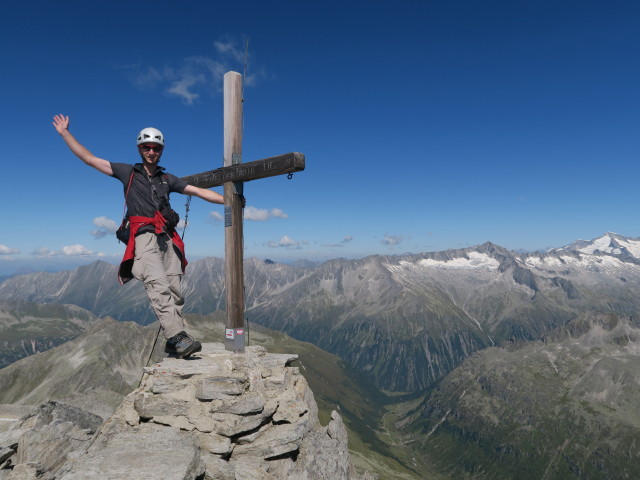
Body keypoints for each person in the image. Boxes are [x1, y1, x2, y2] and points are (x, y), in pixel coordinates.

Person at [52, 114, 224, 358]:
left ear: (161, 150)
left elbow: (197, 192)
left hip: (166, 237)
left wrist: (230, 202)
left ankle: (173, 342)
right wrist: (65, 133)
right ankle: (177, 336)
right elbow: (89, 159)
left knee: (174, 286)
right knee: (158, 283)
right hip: (143, 235)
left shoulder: (168, 179)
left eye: (155, 147)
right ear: (139, 148)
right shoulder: (127, 172)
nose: (151, 151)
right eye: (146, 147)